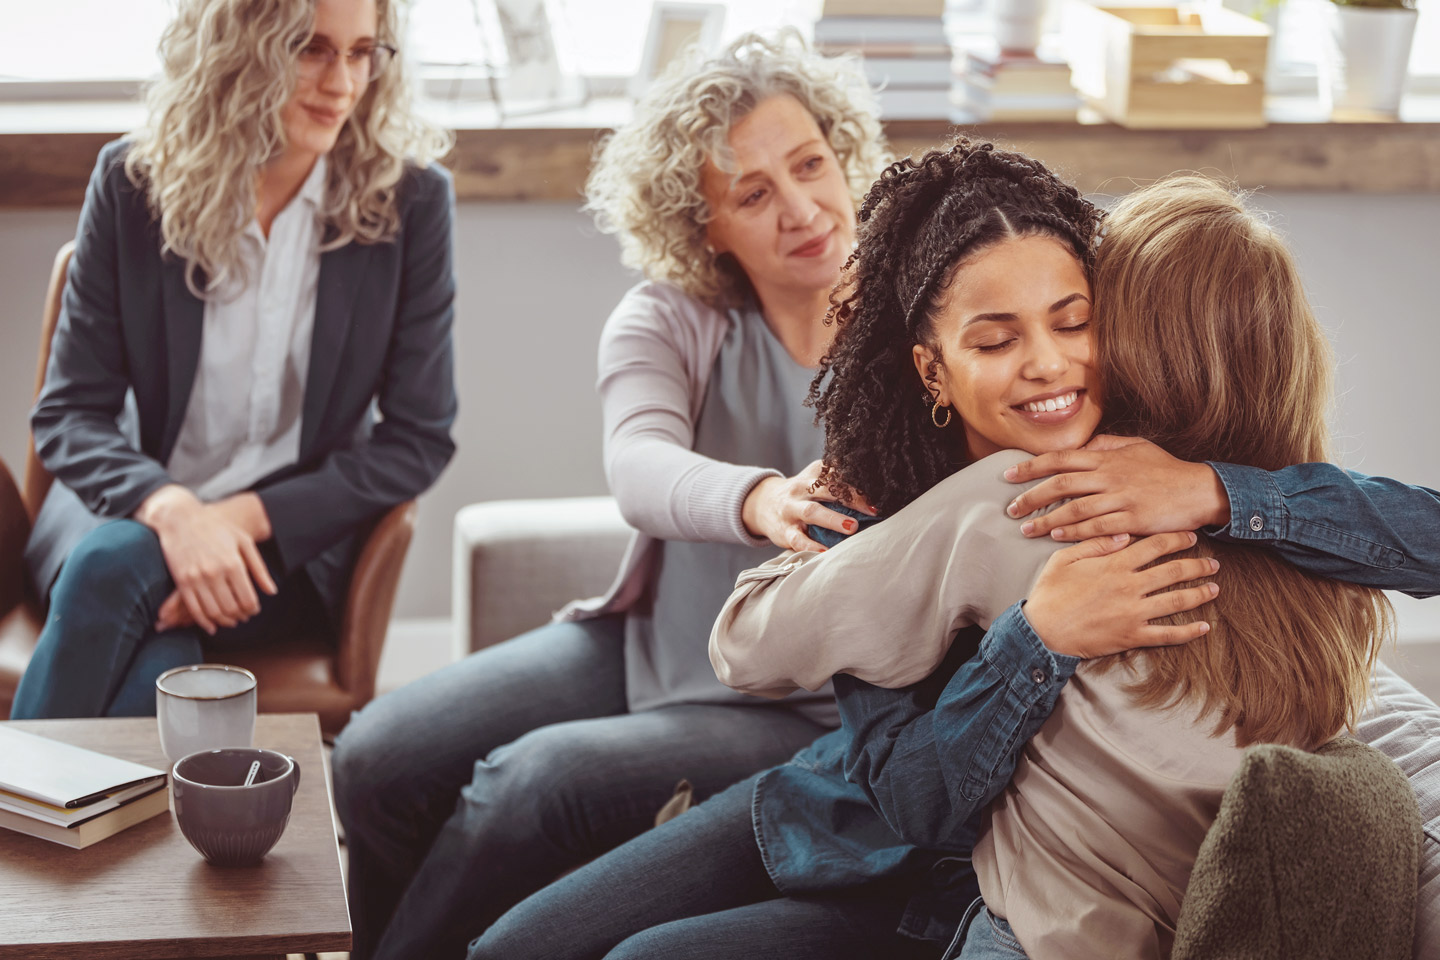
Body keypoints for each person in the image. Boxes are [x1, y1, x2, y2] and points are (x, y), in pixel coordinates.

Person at [467, 143, 1439, 960]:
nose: (1050, 364)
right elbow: (895, 777)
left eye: (1074, 321)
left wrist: (1219, 489)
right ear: (935, 366)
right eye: (996, 338)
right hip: (867, 820)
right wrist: (1039, 637)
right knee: (529, 926)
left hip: (961, 885)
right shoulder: (917, 501)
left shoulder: (1158, 489)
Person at [329, 31, 897, 960]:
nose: (801, 208)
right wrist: (759, 500)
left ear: (843, 155)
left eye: (810, 164)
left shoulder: (918, 323)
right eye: (753, 193)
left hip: (805, 707)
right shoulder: (672, 318)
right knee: (375, 756)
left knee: (530, 783)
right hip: (651, 644)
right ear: (702, 223)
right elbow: (638, 463)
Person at [12, 0, 456, 720]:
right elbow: (70, 414)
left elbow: (417, 438)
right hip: (120, 511)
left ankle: (19, 827)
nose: (342, 81)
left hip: (281, 547)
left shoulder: (411, 204)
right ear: (240, 48)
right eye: (310, 48)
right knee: (119, 571)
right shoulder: (133, 184)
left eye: (362, 52)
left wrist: (236, 522)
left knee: (141, 633)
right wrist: (175, 511)